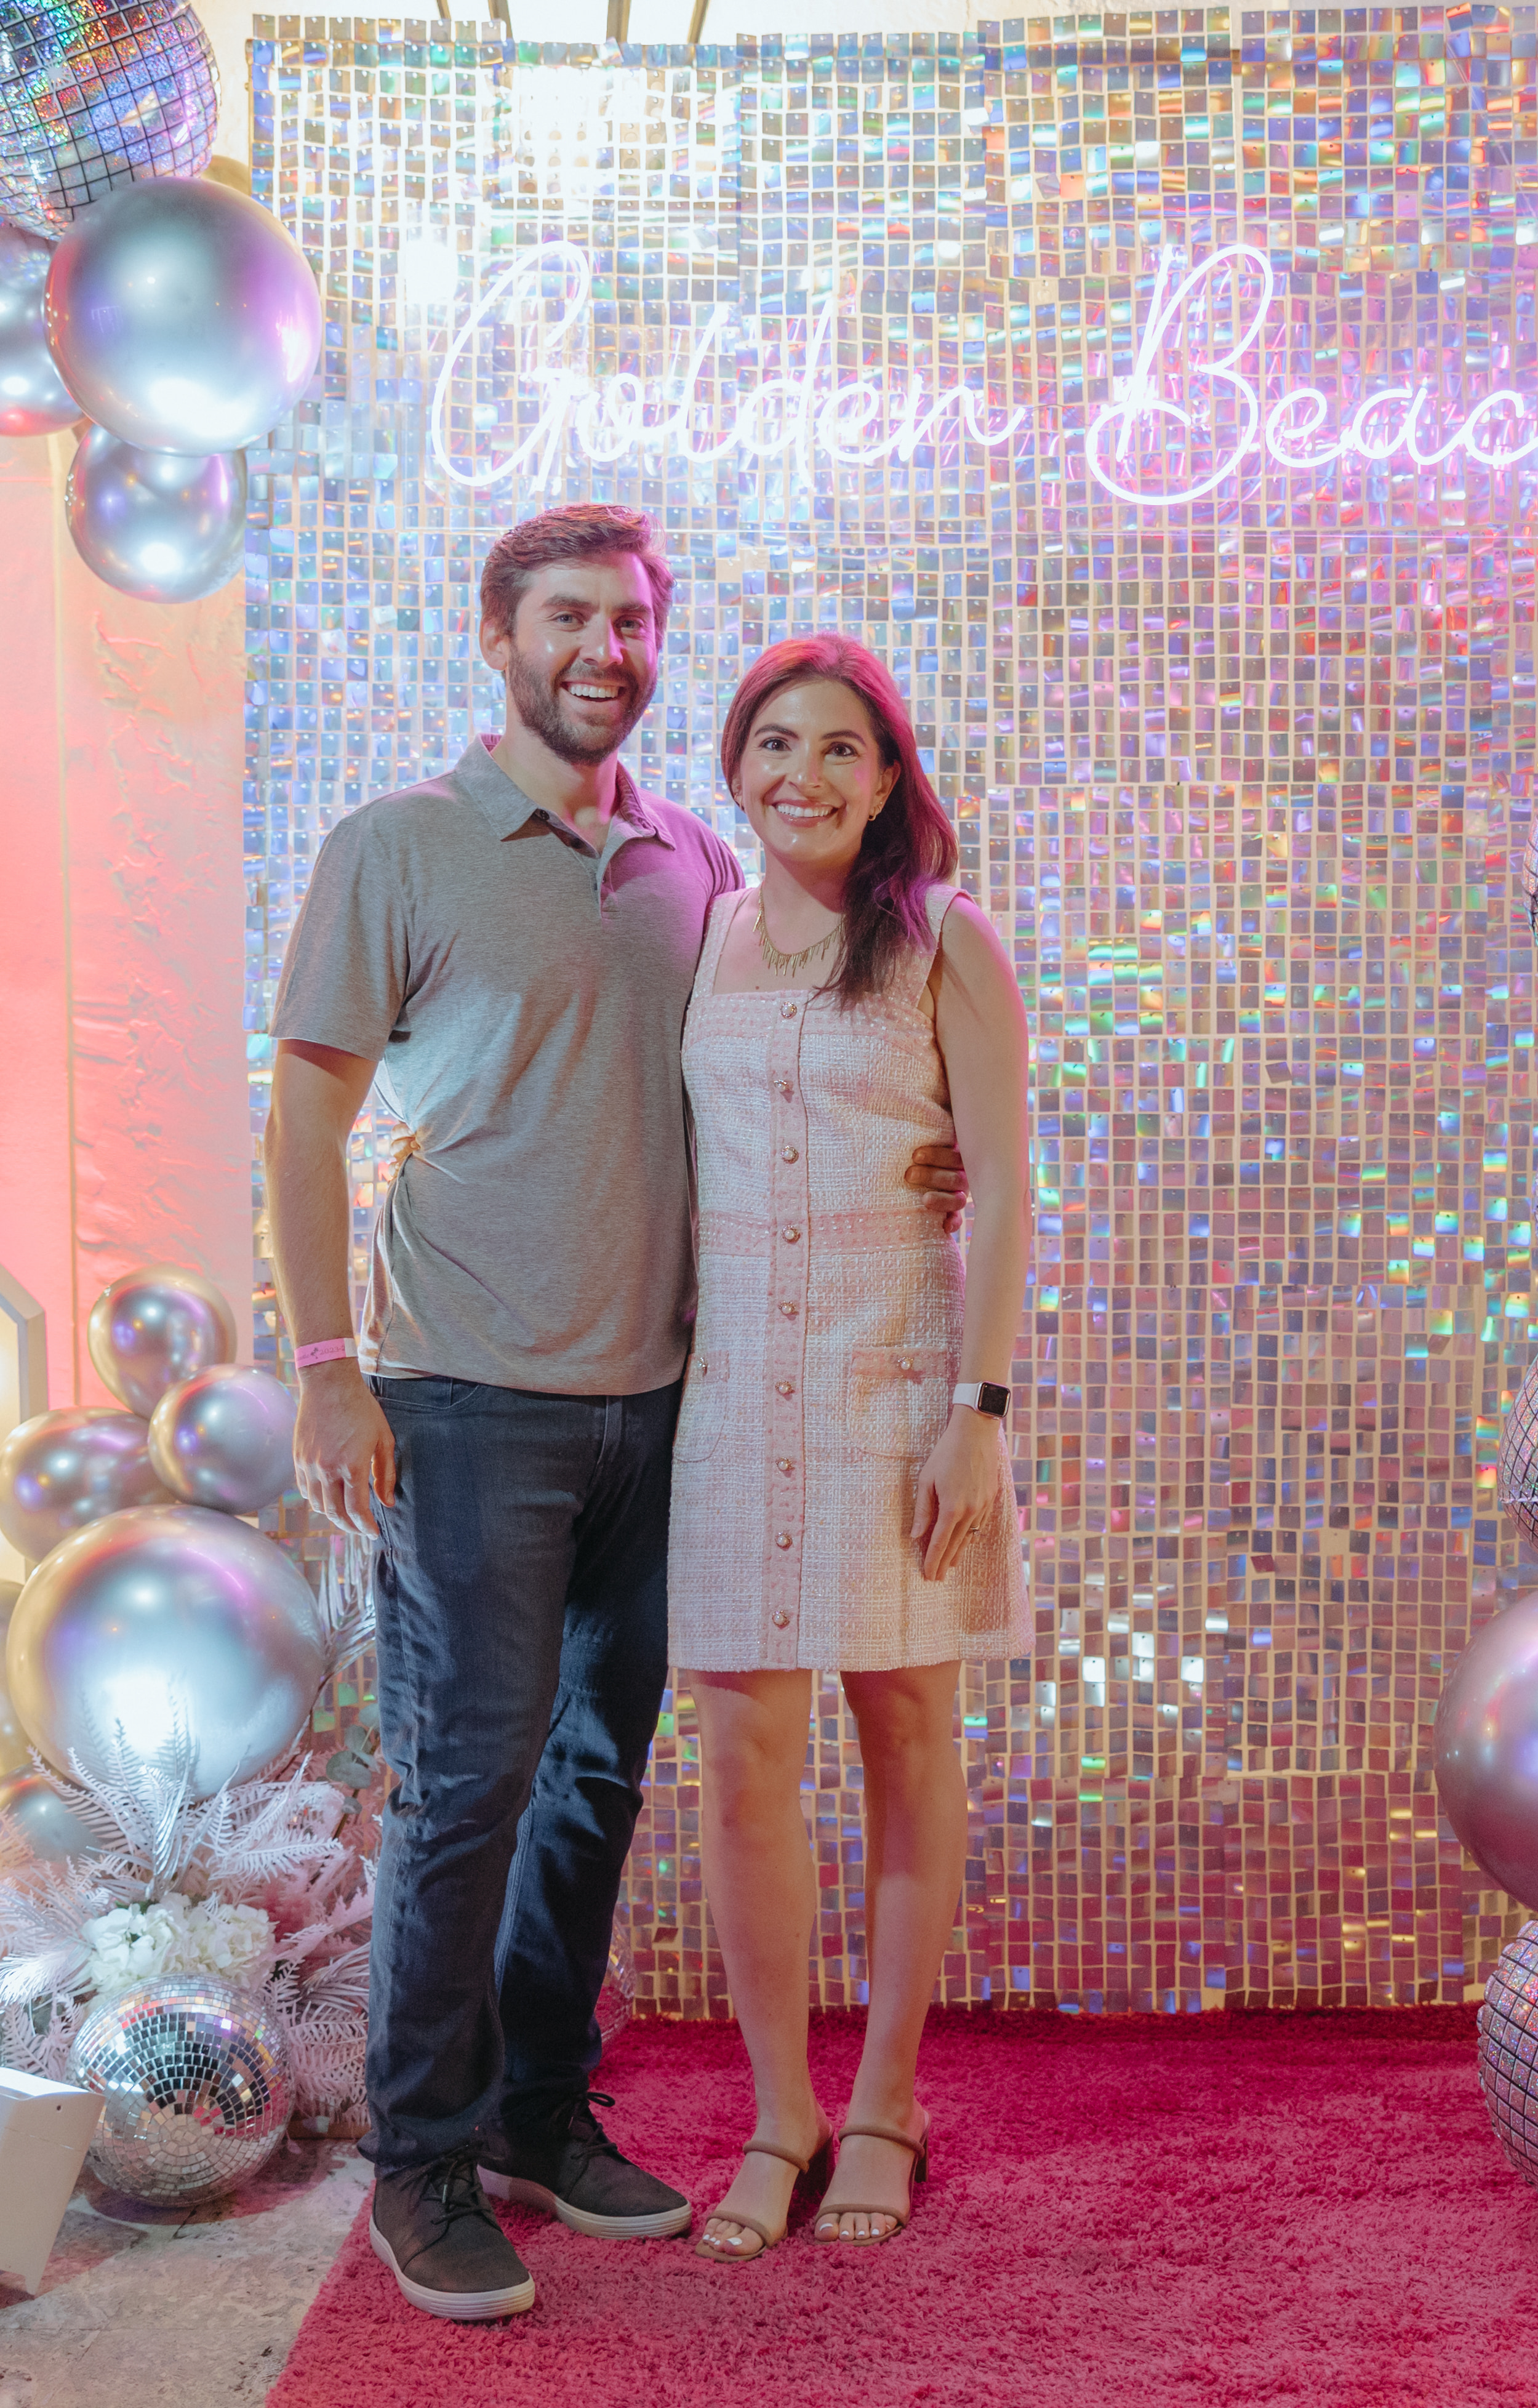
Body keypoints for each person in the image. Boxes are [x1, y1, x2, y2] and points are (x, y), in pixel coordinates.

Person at [263, 509, 965, 2322]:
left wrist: (923, 1154)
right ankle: (423, 2159)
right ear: (499, 633)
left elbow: (792, 1078)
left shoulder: (692, 870)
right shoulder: (397, 846)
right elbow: (305, 1121)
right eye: (567, 616)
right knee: (468, 1787)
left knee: (594, 1780)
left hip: (669, 1406)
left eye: (634, 622)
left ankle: (538, 2112)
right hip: (467, 1398)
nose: (604, 649)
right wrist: (327, 1367)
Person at [671, 634, 1031, 2260]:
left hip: (897, 1385)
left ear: (887, 780)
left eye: (838, 749)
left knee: (909, 1731)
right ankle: (780, 2114)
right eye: (773, 744)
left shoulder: (945, 939)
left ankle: (885, 2101)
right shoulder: (700, 933)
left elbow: (1002, 1186)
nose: (801, 776)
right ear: (735, 769)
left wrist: (978, 1414)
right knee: (743, 1751)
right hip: (731, 1390)